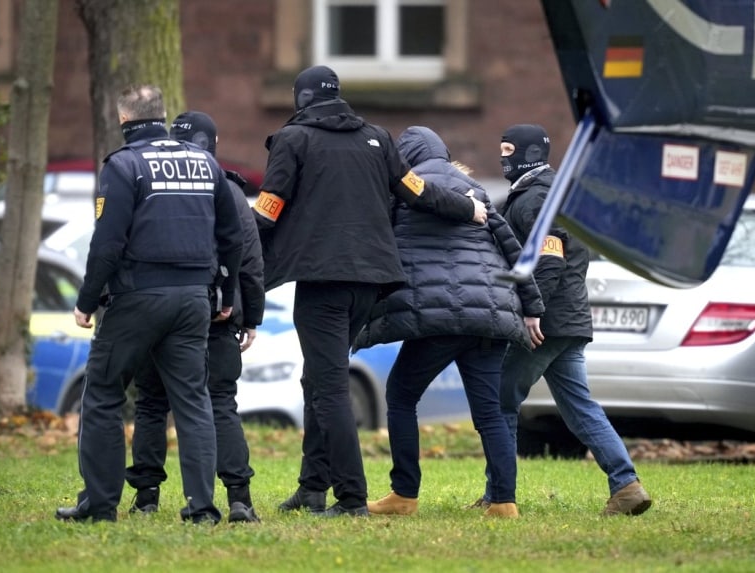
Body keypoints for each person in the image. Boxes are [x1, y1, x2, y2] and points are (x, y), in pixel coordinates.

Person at [254, 65, 487, 518]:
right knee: (318, 379)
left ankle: (350, 497)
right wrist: (467, 207)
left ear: (301, 99)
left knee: (329, 387)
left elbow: (269, 208)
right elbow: (417, 191)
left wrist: (230, 243)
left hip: (322, 282)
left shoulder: (293, 140)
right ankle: (312, 486)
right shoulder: (376, 138)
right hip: (371, 282)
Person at [56, 85, 243, 524]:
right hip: (194, 299)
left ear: (124, 119)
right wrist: (226, 293)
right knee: (193, 400)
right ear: (162, 115)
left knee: (103, 392)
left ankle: (99, 504)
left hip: (137, 297)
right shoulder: (206, 164)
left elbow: (107, 243)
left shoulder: (123, 165)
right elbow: (232, 237)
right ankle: (202, 508)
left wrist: (86, 301)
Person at [354, 126, 545, 518]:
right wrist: (532, 308)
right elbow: (513, 250)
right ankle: (504, 502)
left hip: (438, 315)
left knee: (401, 396)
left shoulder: (404, 190)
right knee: (489, 411)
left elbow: (379, 245)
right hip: (490, 313)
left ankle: (404, 494)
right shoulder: (475, 190)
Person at [475, 124, 652, 516]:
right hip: (567, 321)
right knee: (579, 406)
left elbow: (550, 259)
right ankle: (626, 485)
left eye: (509, 151)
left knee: (499, 400)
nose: (502, 158)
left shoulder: (538, 197)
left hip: (546, 323)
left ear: (529, 153)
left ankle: (498, 496)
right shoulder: (554, 192)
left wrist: (532, 311)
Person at [125, 111, 266, 524]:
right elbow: (250, 262)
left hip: (158, 311)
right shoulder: (230, 191)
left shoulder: (152, 183)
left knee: (151, 403)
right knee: (220, 402)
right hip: (217, 314)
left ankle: (146, 498)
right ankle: (239, 499)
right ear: (214, 143)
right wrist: (251, 317)